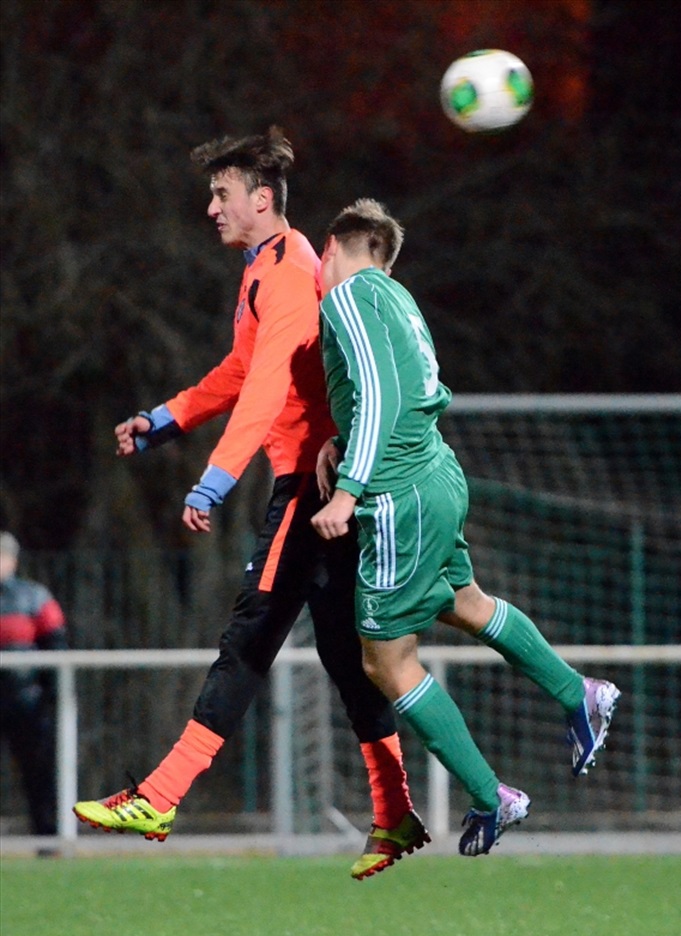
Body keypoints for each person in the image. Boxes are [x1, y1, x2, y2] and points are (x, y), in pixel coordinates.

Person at [73, 129, 428, 880]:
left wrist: (216, 477)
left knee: (251, 636)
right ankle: (394, 812)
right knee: (342, 651)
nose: (211, 207)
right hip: (316, 482)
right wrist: (165, 419)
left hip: (309, 486)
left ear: (261, 200)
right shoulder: (266, 267)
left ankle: (162, 794)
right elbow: (241, 369)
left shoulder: (290, 272)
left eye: (222, 194)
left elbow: (268, 386)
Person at [311, 198, 621, 856]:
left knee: (385, 660)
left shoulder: (348, 294)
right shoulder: (398, 298)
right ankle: (580, 692)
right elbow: (394, 391)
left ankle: (490, 795)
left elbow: (381, 394)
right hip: (437, 472)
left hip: (398, 493)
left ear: (337, 245)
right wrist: (341, 441)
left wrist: (348, 489)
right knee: (466, 603)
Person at [0, 531, 68, 836]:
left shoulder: (33, 597)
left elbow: (56, 647)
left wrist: (51, 694)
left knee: (38, 771)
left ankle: (47, 836)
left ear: (12, 560)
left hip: (25, 699)